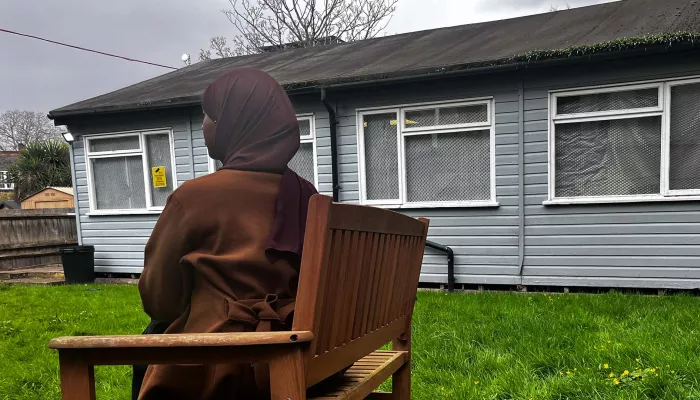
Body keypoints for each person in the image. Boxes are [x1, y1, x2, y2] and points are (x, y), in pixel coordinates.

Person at [133, 67, 318, 400]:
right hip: (302, 358)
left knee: (150, 338)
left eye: (210, 116)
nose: (204, 124)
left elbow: (159, 302)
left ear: (235, 124)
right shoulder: (307, 194)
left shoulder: (194, 198)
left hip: (221, 365)